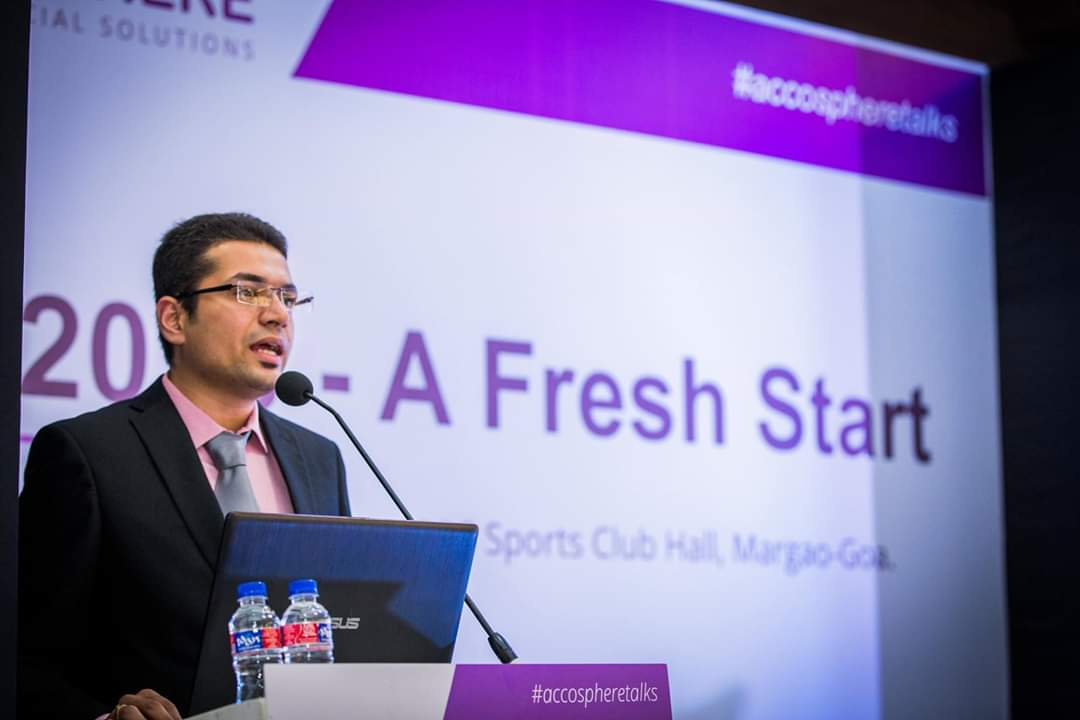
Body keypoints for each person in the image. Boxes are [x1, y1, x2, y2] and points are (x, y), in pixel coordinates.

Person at [17, 213, 350, 720]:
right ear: (174, 318)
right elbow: (26, 660)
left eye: (287, 297)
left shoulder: (320, 458)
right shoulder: (87, 453)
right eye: (247, 292)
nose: (277, 315)